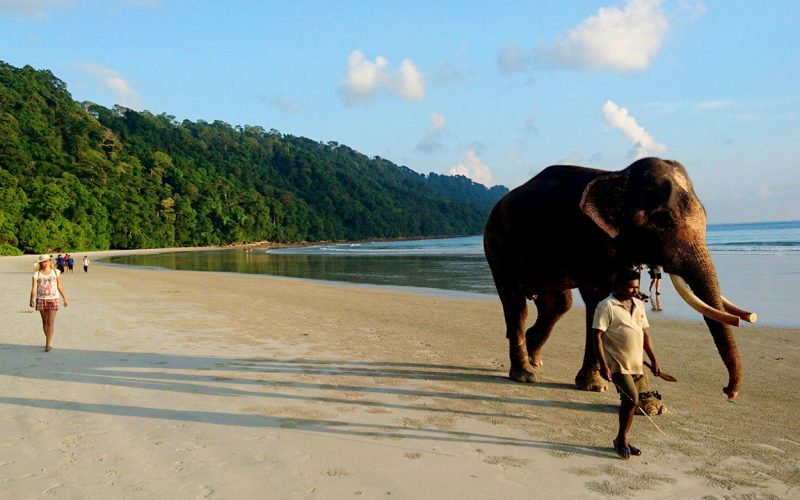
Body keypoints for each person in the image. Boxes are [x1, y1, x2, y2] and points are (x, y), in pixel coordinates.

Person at [593, 268, 661, 459]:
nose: (635, 291)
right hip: (616, 364)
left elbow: (645, 334)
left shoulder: (639, 305)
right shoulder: (606, 306)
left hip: (637, 363)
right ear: (619, 285)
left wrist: (654, 359)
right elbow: (596, 336)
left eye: (637, 287)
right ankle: (621, 440)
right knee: (632, 398)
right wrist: (603, 365)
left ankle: (622, 438)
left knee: (629, 402)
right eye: (631, 287)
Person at [29, 254, 68, 352]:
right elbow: (34, 288)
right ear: (40, 263)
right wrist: (31, 299)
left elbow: (60, 286)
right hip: (41, 299)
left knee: (50, 322)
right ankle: (49, 340)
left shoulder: (56, 272)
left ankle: (47, 344)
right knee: (45, 322)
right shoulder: (36, 274)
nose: (45, 263)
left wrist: (64, 297)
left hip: (53, 299)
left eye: (47, 261)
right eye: (43, 261)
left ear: (50, 261)